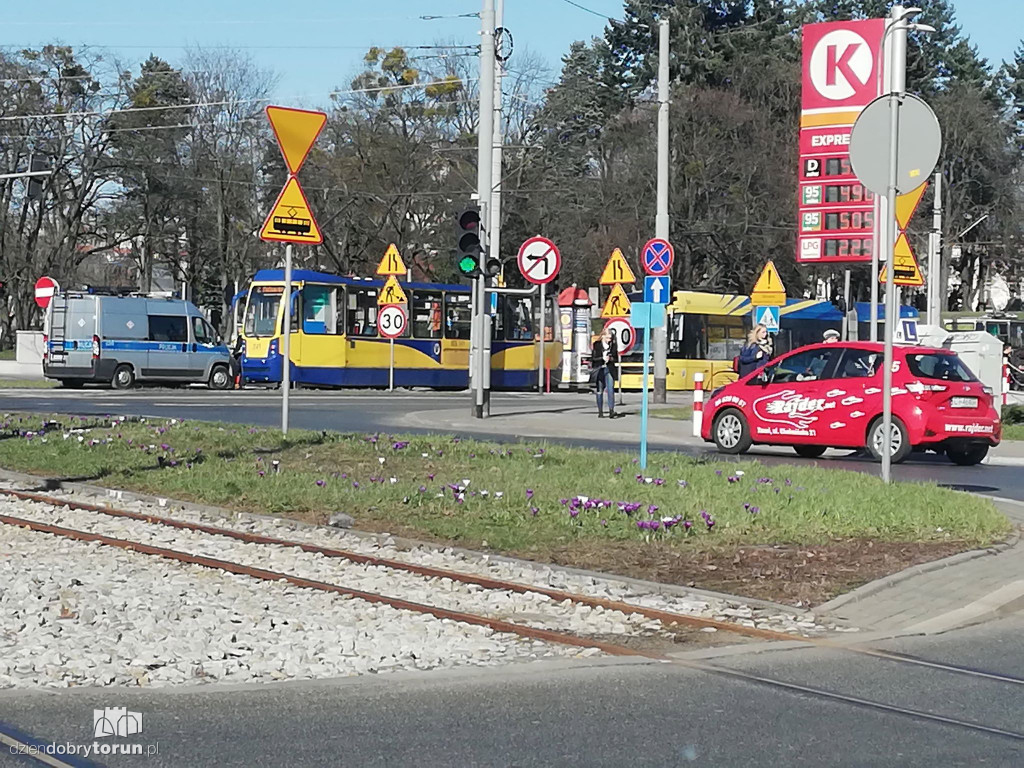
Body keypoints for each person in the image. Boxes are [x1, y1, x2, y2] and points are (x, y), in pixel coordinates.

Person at [591, 329, 620, 418]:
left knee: (610, 389)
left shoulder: (613, 345)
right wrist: (602, 358)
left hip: (609, 368)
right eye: (607, 338)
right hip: (600, 369)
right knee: (599, 390)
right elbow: (594, 358)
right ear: (603, 336)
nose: (609, 340)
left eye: (610, 338)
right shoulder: (597, 345)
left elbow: (616, 358)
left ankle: (611, 410)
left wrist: (610, 358)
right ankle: (600, 411)